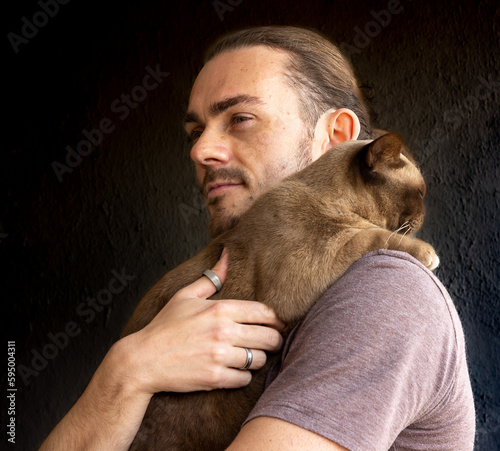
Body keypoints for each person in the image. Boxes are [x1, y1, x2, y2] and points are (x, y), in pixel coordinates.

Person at [40, 26, 475, 450]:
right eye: (195, 132)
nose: (200, 151)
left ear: (337, 137)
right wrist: (126, 372)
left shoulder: (383, 290)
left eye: (240, 118)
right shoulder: (209, 284)